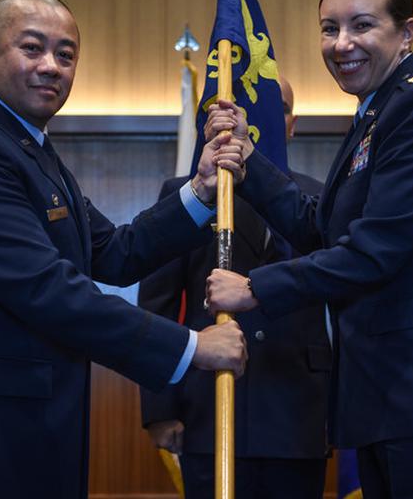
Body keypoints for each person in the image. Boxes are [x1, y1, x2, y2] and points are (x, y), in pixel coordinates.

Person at [0, 0, 248, 499]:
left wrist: (200, 190)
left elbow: (115, 252)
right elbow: (47, 289)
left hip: (31, 429)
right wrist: (192, 347)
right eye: (32, 48)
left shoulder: (30, 151)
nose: (51, 66)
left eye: (65, 55)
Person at [204, 0, 413, 498]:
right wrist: (248, 158)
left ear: (407, 33)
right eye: (329, 29)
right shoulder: (375, 115)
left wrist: (258, 287)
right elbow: (322, 228)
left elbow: (376, 251)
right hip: (394, 404)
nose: (342, 44)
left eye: (361, 26)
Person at [139, 78, 330, 499]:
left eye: (276, 107)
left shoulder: (320, 198)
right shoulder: (189, 193)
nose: (261, 116)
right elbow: (159, 304)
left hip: (300, 412)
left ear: (292, 124)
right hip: (211, 408)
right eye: (249, 106)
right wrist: (161, 410)